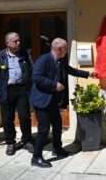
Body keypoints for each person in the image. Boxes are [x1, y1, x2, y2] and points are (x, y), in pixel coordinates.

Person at [29, 38, 97, 168]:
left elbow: (71, 70)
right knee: (43, 130)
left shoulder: (60, 61)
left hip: (52, 101)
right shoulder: (44, 60)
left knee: (58, 125)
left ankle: (57, 149)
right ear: (59, 49)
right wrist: (54, 84)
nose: (67, 51)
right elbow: (36, 77)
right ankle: (36, 156)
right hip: (42, 100)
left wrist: (88, 74)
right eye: (65, 49)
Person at [0, 32, 34, 155]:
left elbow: (33, 70)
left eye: (19, 40)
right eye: (15, 41)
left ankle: (27, 141)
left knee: (25, 116)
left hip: (22, 89)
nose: (18, 43)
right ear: (7, 43)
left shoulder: (25, 55)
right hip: (6, 90)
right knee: (7, 118)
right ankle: (10, 142)